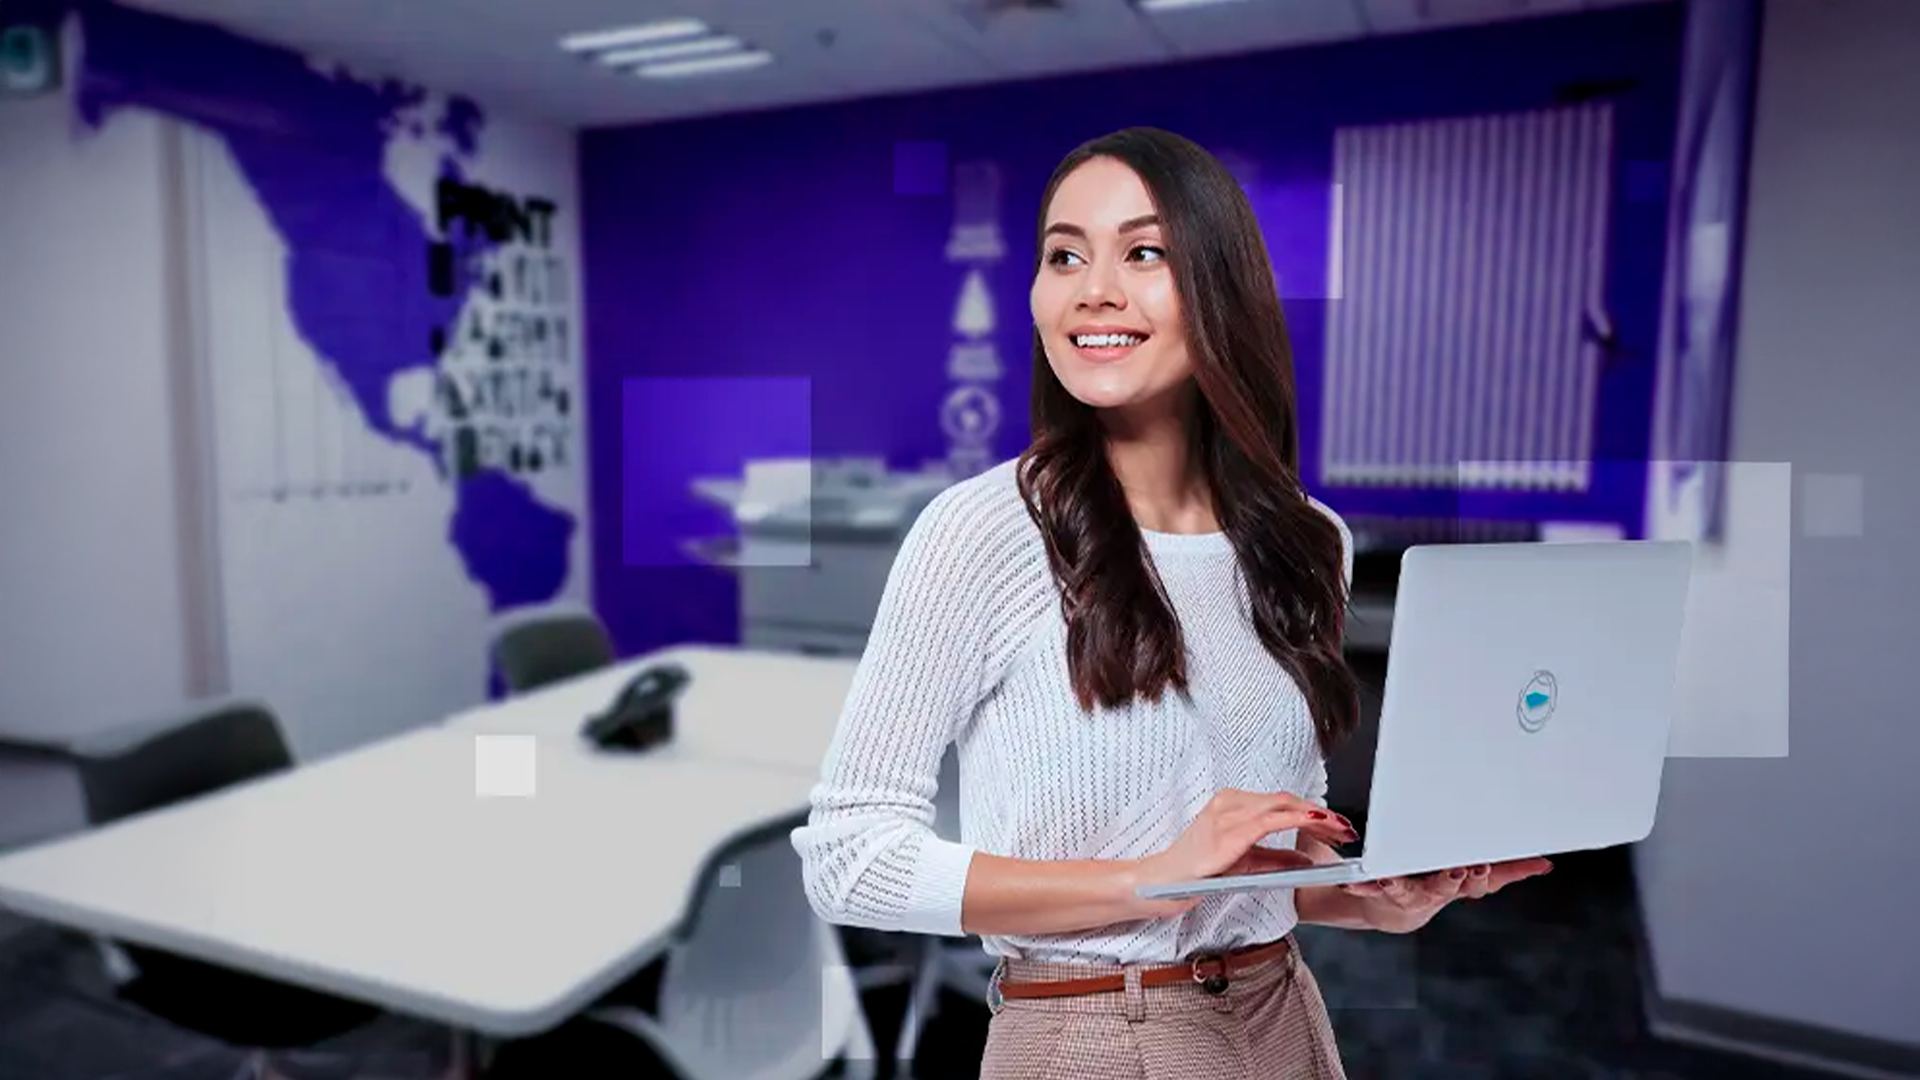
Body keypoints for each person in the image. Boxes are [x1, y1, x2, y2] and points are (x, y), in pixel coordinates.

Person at [790, 126, 1550, 1080]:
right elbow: (850, 858)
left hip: (1281, 1018)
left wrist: (1367, 897)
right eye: (1064, 254)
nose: (1092, 288)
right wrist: (1146, 879)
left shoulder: (1310, 540)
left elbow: (1260, 860)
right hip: (1090, 1034)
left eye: (1143, 252)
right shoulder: (985, 531)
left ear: (1221, 289)